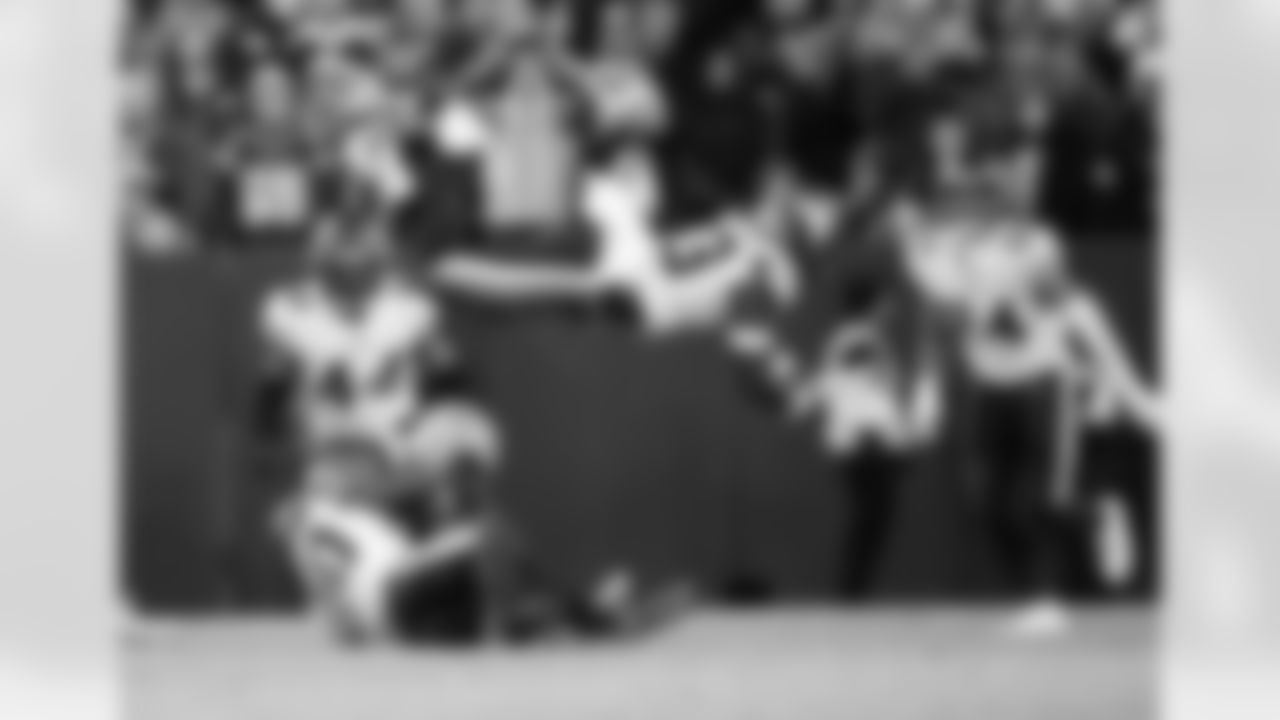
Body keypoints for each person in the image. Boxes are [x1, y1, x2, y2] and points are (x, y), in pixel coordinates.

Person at [252, 191, 504, 642]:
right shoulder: (288, 308)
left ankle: (477, 569)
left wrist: (440, 373)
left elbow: (453, 382)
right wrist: (282, 395)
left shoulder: (410, 307)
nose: (352, 257)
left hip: (403, 448)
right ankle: (360, 594)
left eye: (361, 239)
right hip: (337, 460)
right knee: (336, 569)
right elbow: (269, 403)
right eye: (342, 239)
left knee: (466, 429)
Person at [727, 293, 941, 599]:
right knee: (873, 516)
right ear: (875, 304)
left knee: (873, 516)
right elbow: (849, 383)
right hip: (866, 442)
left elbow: (822, 389)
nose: (891, 308)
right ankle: (852, 589)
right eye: (885, 302)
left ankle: (854, 588)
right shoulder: (857, 339)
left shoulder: (863, 339)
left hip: (866, 442)